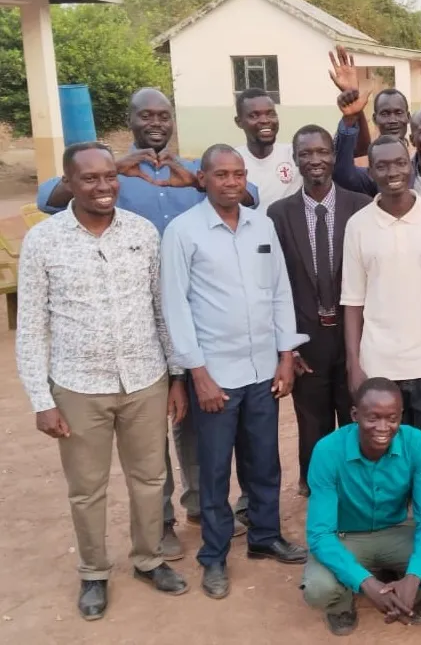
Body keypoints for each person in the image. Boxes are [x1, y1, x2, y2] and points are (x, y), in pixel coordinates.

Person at [36, 88, 258, 559]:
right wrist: (113, 168)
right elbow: (48, 199)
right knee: (149, 437)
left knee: (194, 421)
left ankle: (200, 502)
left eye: (163, 114)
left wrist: (194, 181)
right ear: (131, 119)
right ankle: (160, 523)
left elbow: (249, 196)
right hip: (133, 318)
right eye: (146, 115)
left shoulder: (194, 167)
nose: (156, 122)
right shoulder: (112, 175)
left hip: (194, 319)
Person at [16, 142, 189, 620]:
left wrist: (175, 376)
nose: (103, 186)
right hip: (77, 386)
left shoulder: (142, 233)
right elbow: (32, 325)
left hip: (144, 380)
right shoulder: (44, 241)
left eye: (110, 176)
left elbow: (161, 310)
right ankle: (93, 572)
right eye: (89, 178)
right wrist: (40, 398)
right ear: (68, 184)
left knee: (150, 478)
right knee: (87, 487)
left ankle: (149, 559)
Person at [161, 145, 308, 600]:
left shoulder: (261, 225)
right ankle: (214, 556)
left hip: (263, 368)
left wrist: (286, 355)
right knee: (214, 470)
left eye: (238, 174)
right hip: (216, 375)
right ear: (202, 179)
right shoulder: (183, 233)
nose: (231, 182)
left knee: (264, 461)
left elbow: (280, 291)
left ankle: (265, 537)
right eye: (221, 174)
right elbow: (174, 306)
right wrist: (196, 373)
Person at [341, 134, 421, 530]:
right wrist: (354, 363)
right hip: (378, 363)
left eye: (399, 163)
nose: (393, 172)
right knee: (384, 454)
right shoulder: (359, 226)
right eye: (382, 165)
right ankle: (389, 532)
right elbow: (353, 301)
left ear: (410, 165)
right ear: (371, 170)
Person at [301, 378, 421, 636]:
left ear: (401, 415)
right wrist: (365, 582)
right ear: (355, 415)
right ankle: (343, 604)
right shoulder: (327, 451)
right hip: (346, 536)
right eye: (373, 418)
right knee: (318, 589)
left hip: (398, 530)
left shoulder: (416, 443)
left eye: (392, 418)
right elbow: (320, 534)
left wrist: (415, 576)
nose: (383, 427)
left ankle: (406, 593)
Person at [267, 125, 372, 497]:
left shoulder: (360, 207)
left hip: (353, 334)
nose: (315, 160)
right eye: (305, 153)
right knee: (311, 420)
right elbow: (274, 285)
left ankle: (354, 484)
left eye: (322, 152)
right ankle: (316, 485)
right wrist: (288, 347)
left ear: (333, 156)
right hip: (306, 338)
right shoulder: (277, 214)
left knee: (353, 411)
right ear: (295, 160)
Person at [328, 45, 410, 158]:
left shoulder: (419, 156)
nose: (392, 120)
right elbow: (359, 150)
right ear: (375, 119)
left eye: (399, 113)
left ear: (408, 117)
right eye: (385, 114)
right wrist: (353, 99)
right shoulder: (367, 158)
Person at [234, 88, 302, 210]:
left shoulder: (295, 154)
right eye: (254, 115)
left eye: (271, 114)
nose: (265, 120)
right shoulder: (233, 161)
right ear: (239, 122)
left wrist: (348, 118)